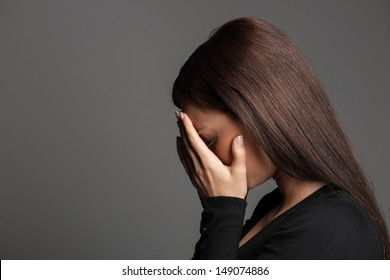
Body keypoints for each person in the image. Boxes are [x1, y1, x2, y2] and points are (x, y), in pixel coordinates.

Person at [172, 17, 389, 259]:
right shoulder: (273, 207)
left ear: (255, 112)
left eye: (209, 141)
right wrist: (218, 211)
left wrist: (223, 210)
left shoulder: (335, 228)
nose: (205, 161)